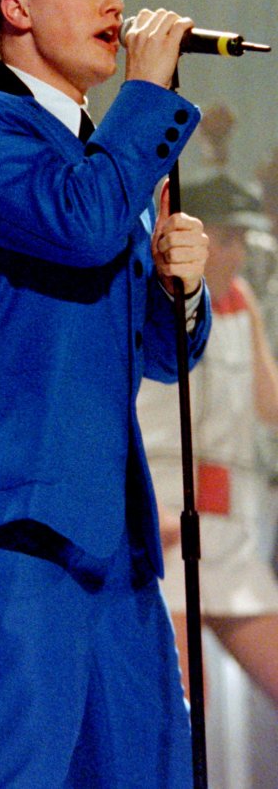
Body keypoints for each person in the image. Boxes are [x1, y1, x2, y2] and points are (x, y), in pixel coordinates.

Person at [0, 0, 211, 788]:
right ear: (16, 9)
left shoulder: (105, 158)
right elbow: (75, 227)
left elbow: (158, 353)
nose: (114, 1)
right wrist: (147, 96)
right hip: (14, 517)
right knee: (12, 772)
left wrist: (175, 288)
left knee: (149, 770)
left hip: (112, 534)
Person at [138, 172, 278, 706]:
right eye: (228, 239)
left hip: (232, 528)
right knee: (186, 705)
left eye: (244, 241)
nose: (239, 255)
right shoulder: (149, 291)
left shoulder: (242, 303)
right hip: (167, 519)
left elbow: (270, 403)